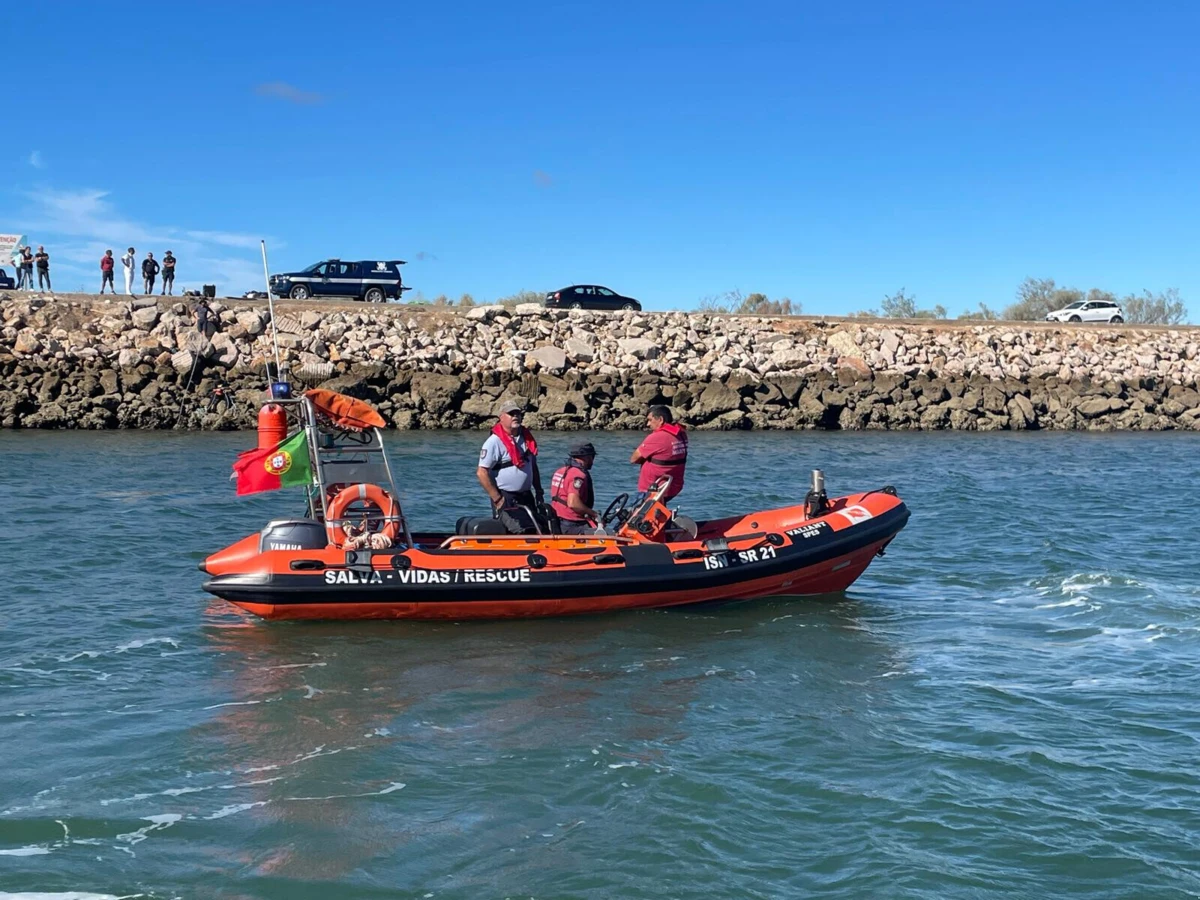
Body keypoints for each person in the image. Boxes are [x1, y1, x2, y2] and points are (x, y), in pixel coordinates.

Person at [476, 399, 543, 532]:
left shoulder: (527, 439)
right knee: (516, 531)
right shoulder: (494, 442)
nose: (515, 416)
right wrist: (497, 499)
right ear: (501, 417)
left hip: (526, 496)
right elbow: (481, 472)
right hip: (506, 497)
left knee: (535, 529)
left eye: (518, 413)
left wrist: (539, 491)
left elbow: (533, 467)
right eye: (511, 414)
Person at [630, 404, 688, 501]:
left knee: (633, 508)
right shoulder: (681, 435)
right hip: (672, 487)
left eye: (650, 420)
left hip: (653, 489)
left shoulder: (657, 437)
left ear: (660, 420)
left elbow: (633, 459)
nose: (648, 424)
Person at [550, 442, 599, 534]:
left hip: (557, 520)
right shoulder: (578, 475)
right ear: (588, 457)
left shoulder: (560, 471)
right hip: (571, 524)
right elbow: (573, 503)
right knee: (604, 533)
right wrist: (594, 514)